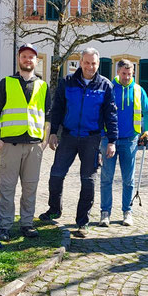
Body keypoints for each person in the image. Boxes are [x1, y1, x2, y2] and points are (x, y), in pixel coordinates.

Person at [39, 47, 118, 238]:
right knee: (56, 175)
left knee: (88, 181)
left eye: (94, 63)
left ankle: (83, 221)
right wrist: (53, 133)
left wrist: (112, 141)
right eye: (87, 62)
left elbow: (111, 114)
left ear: (98, 65)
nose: (90, 66)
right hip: (68, 136)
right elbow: (57, 108)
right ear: (80, 62)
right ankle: (54, 210)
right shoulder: (67, 82)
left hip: (92, 138)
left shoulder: (105, 85)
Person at [0, 43, 50, 240]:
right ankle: (5, 226)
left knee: (30, 187)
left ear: (36, 61)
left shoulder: (42, 86)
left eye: (31, 57)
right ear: (19, 59)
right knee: (7, 187)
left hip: (34, 145)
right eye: (24, 56)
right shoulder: (6, 83)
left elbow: (48, 117)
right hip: (10, 145)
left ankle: (27, 223)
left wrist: (44, 142)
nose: (27, 60)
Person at [99, 59, 148, 227]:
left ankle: (127, 211)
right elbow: (99, 112)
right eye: (124, 73)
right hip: (108, 140)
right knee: (106, 178)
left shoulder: (138, 90)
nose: (127, 77)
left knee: (128, 179)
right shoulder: (108, 88)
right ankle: (105, 212)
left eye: (130, 74)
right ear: (118, 72)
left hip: (130, 140)